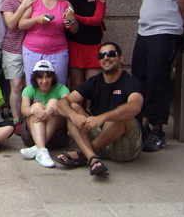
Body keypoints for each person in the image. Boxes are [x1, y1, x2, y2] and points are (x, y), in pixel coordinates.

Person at [131, 0, 184, 152]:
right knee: (141, 79)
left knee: (158, 81)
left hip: (165, 32)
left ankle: (157, 130)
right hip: (144, 31)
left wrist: (179, 22)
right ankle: (145, 125)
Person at [56, 42, 144, 176]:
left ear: (121, 58)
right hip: (100, 136)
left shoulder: (130, 82)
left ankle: (82, 154)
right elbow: (62, 102)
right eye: (102, 55)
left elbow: (135, 107)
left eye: (111, 54)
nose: (106, 58)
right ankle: (92, 157)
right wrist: (74, 115)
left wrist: (102, 118)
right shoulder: (94, 81)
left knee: (122, 115)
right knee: (72, 107)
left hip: (123, 146)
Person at [19, 0, 79, 85]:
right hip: (33, 51)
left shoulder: (65, 4)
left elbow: (74, 30)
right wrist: (37, 19)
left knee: (59, 86)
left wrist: (72, 20)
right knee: (33, 87)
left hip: (58, 52)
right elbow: (21, 24)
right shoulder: (35, 0)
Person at [0, 0, 37, 125]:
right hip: (12, 49)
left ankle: (29, 117)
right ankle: (17, 120)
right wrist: (23, 6)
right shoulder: (9, 2)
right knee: (16, 86)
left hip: (32, 49)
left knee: (29, 86)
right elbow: (11, 23)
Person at [64, 0, 106, 92]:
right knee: (76, 84)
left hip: (93, 45)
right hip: (74, 44)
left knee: (93, 84)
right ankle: (77, 112)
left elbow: (97, 20)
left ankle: (91, 112)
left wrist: (76, 18)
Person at [19, 60, 69, 168]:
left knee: (54, 103)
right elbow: (24, 109)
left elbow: (68, 105)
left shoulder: (61, 89)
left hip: (56, 133)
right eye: (40, 78)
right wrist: (35, 111)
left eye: (48, 77)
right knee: (36, 106)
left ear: (53, 78)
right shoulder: (29, 89)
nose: (44, 81)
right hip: (32, 133)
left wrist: (50, 111)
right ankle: (41, 150)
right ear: (35, 79)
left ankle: (38, 148)